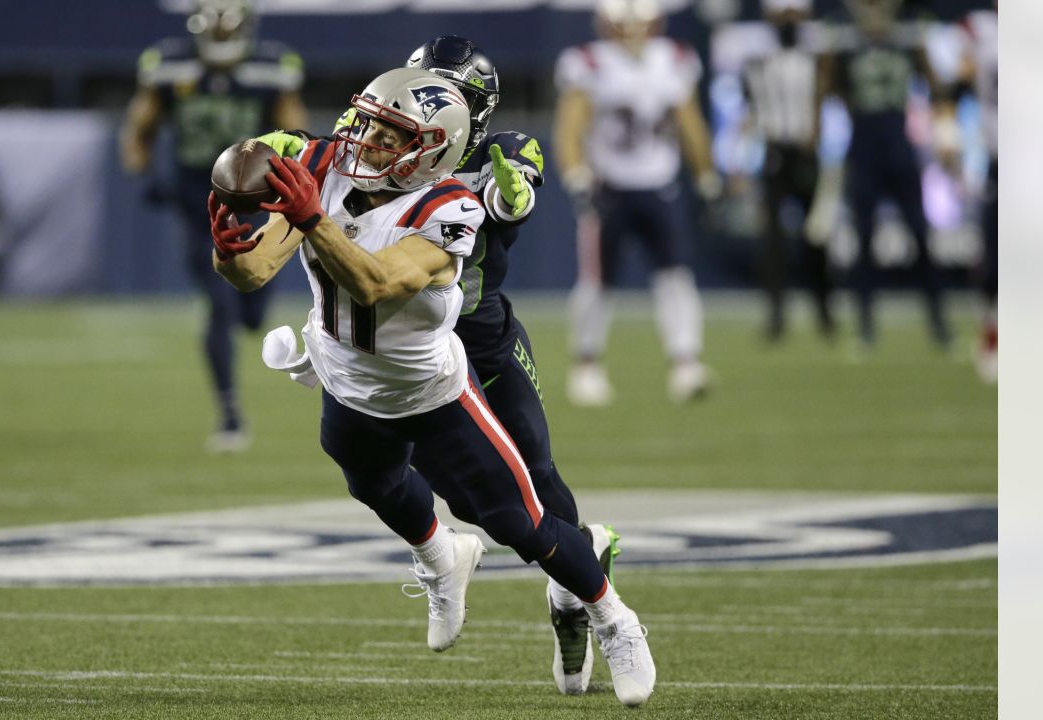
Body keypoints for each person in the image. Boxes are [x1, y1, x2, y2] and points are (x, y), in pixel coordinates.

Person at [208, 67, 656, 707]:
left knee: (519, 520)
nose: (366, 142)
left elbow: (376, 283)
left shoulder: (449, 206)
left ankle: (616, 618)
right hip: (347, 380)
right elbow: (252, 273)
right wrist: (226, 246)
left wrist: (311, 217)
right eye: (366, 123)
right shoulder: (325, 165)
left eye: (390, 136)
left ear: (433, 149)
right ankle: (444, 558)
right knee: (375, 485)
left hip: (431, 391)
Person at [120, 0, 307, 452]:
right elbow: (138, 129)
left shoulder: (271, 68)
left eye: (230, 29)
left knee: (250, 313)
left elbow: (296, 137)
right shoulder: (168, 64)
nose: (222, 37)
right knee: (219, 305)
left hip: (255, 204)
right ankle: (229, 413)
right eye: (215, 28)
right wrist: (144, 175)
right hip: (198, 204)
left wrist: (292, 180)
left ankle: (234, 385)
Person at [554, 0, 722, 406]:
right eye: (622, 25)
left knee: (674, 275)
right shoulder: (589, 62)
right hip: (608, 187)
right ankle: (586, 364)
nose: (631, 33)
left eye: (639, 24)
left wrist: (705, 172)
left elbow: (689, 119)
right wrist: (575, 172)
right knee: (597, 280)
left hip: (658, 184)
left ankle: (685, 362)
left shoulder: (674, 60)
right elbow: (571, 123)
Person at [816, 0, 952, 353]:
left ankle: (938, 322)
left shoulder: (908, 37)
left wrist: (947, 134)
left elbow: (935, 86)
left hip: (897, 143)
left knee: (920, 235)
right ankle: (865, 327)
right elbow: (826, 87)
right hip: (863, 146)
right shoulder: (844, 40)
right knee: (863, 240)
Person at [743, 0, 835, 341]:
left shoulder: (817, 59)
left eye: (793, 15)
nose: (787, 23)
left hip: (807, 153)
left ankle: (825, 313)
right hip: (774, 153)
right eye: (782, 16)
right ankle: (776, 316)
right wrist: (741, 159)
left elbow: (825, 103)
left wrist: (818, 137)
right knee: (772, 242)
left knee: (817, 236)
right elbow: (750, 110)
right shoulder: (758, 62)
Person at [955, 2, 997, 382]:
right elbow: (960, 71)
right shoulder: (980, 29)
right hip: (999, 163)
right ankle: (993, 338)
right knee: (992, 263)